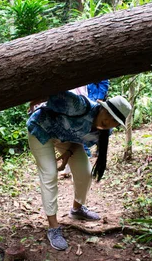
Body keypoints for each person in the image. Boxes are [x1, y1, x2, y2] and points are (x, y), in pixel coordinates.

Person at [27, 91, 132, 251]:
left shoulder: (104, 132)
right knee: (49, 174)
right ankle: (53, 228)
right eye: (109, 114)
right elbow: (49, 95)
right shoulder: (79, 105)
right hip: (41, 129)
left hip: (66, 138)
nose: (108, 121)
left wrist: (68, 155)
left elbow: (79, 138)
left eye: (115, 121)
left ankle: (77, 209)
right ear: (102, 107)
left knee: (85, 171)